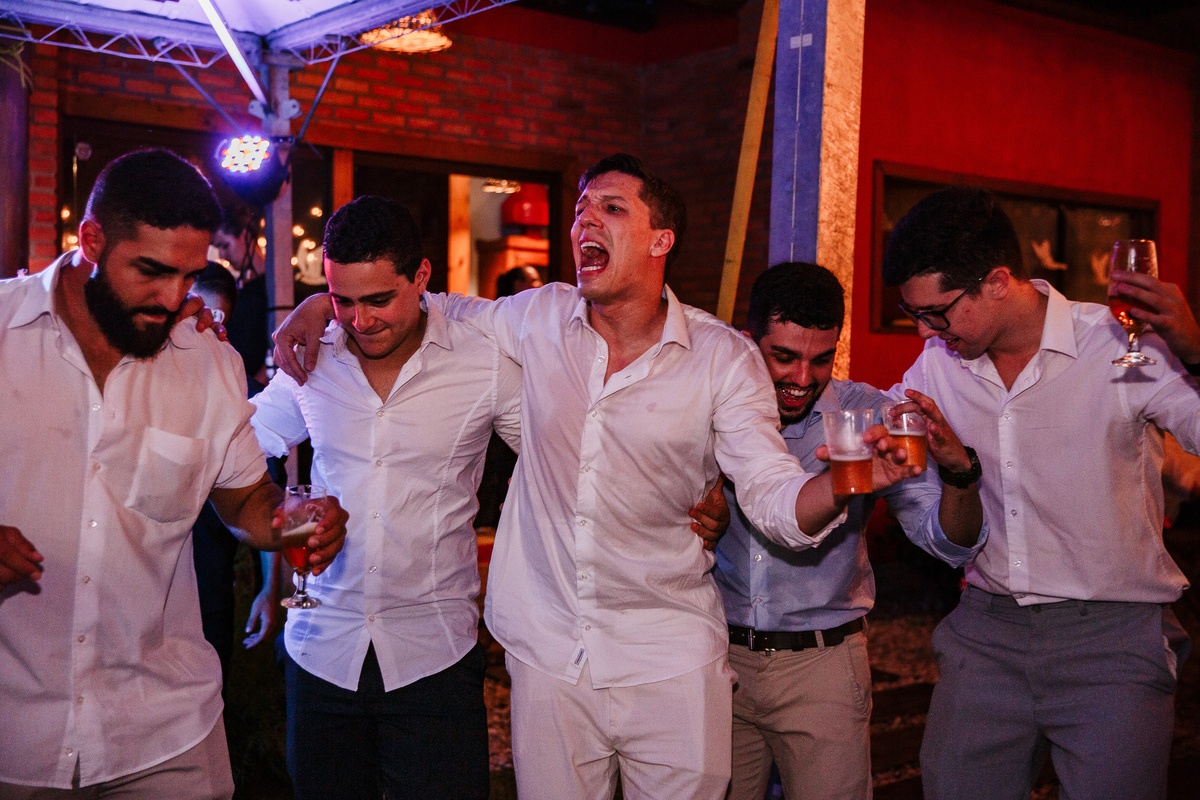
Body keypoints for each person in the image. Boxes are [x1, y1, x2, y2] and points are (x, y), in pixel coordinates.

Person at [274, 153, 919, 799]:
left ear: (660, 240)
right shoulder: (537, 318)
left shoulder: (722, 359)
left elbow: (774, 497)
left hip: (669, 662)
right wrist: (320, 305)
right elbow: (422, 304)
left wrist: (845, 481)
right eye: (582, 208)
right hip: (548, 658)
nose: (586, 219)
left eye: (612, 208)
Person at [0, 148, 347, 799]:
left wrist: (292, 520)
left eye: (186, 276)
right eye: (151, 271)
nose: (171, 299)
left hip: (166, 735)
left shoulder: (207, 361)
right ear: (91, 242)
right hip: (14, 735)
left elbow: (246, 500)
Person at [881, 186, 1200, 800]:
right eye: (913, 313)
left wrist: (1197, 352)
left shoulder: (1119, 345)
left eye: (937, 312)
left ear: (998, 281)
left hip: (1110, 638)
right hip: (986, 632)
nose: (924, 330)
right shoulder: (937, 366)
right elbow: (884, 436)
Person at [249, 196, 522, 800]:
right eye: (342, 300)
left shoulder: (482, 364)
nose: (360, 320)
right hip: (320, 651)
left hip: (435, 657)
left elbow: (557, 456)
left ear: (422, 277)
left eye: (378, 300)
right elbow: (237, 444)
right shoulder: (312, 358)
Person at [707, 262, 985, 800]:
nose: (802, 378)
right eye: (783, 357)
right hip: (721, 661)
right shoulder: (711, 408)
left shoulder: (870, 415)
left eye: (821, 359)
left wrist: (958, 474)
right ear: (748, 343)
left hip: (823, 668)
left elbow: (950, 543)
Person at [189, 263, 286, 683]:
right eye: (194, 313)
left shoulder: (245, 393)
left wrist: (269, 588)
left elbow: (263, 495)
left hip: (211, 588)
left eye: (217, 319)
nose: (204, 328)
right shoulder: (146, 377)